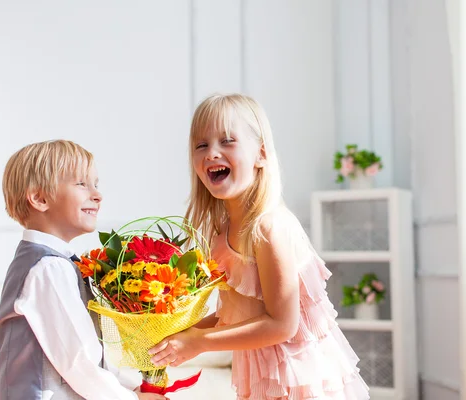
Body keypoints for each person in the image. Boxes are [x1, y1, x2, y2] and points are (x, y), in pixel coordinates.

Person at [149, 94, 370, 399]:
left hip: (299, 378)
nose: (212, 153)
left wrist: (200, 341)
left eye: (227, 141)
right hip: (264, 376)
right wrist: (184, 335)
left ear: (261, 155)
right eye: (201, 145)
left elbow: (281, 324)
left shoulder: (269, 227)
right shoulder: (222, 232)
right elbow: (235, 314)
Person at [0, 140, 167, 400]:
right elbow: (78, 361)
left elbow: (91, 356)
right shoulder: (48, 268)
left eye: (95, 184)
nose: (97, 195)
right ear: (40, 198)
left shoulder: (53, 262)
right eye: (81, 184)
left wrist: (130, 387)